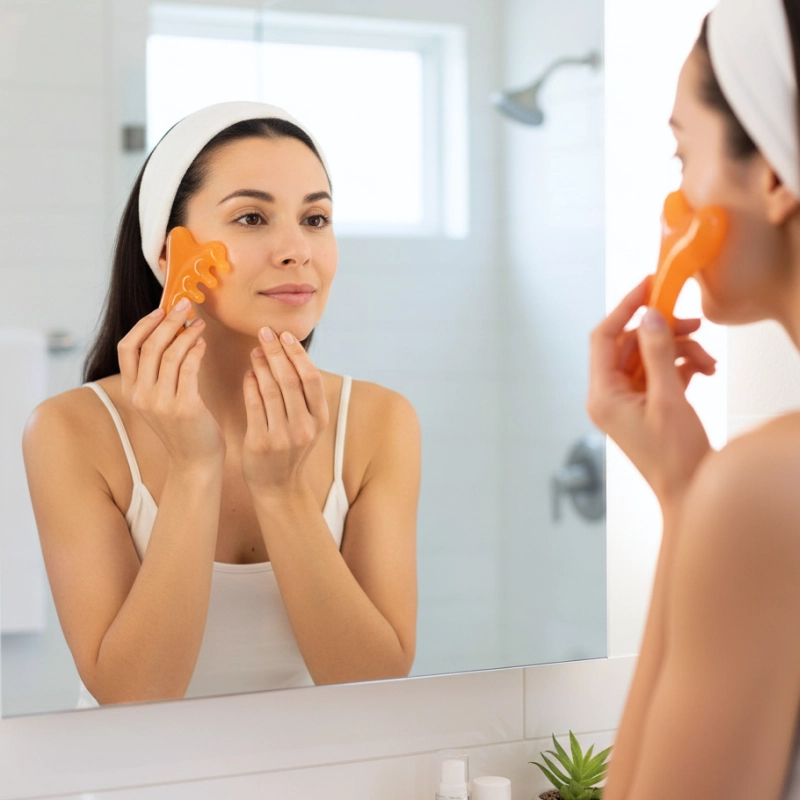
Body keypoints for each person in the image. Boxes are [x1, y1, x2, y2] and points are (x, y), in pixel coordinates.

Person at [22, 102, 421, 707]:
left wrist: (282, 492)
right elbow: (131, 699)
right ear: (167, 254)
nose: (297, 249)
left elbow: (375, 688)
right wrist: (193, 468)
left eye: (315, 218)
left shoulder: (379, 422)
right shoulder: (71, 430)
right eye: (252, 217)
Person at [589, 1, 800, 797]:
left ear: (773, 174)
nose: (672, 205)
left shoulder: (767, 488)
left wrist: (691, 506)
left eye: (683, 156)